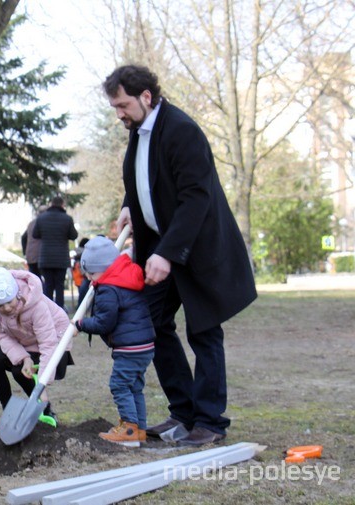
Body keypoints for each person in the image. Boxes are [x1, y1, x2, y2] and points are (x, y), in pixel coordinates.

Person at [103, 64, 256, 446]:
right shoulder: (139, 133)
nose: (119, 113)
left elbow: (195, 197)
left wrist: (168, 254)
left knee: (203, 332)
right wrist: (128, 205)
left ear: (145, 97)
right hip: (160, 249)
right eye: (115, 107)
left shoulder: (182, 131)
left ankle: (209, 422)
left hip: (196, 251)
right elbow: (148, 178)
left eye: (122, 105)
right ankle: (183, 412)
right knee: (151, 322)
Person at [73, 236, 155, 448]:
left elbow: (104, 323)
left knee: (119, 385)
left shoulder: (109, 288)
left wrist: (80, 325)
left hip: (129, 347)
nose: (91, 279)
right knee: (134, 386)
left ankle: (128, 429)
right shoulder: (125, 277)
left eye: (91, 273)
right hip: (144, 344)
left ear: (102, 268)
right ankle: (139, 430)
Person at [0, 267, 73, 422]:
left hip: (55, 339)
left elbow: (48, 343)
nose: (6, 308)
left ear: (16, 293)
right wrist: (24, 357)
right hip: (24, 341)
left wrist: (41, 386)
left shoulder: (36, 305)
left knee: (20, 372)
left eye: (9, 302)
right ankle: (9, 412)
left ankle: (46, 410)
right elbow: (0, 334)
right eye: (0, 306)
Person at [32, 196, 78, 308]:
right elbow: (74, 235)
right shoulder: (67, 219)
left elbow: (35, 234)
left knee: (48, 286)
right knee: (59, 286)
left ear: (51, 204)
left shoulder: (41, 218)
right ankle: (59, 311)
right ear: (62, 205)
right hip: (61, 259)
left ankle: (48, 311)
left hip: (45, 258)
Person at [21, 205, 48, 279]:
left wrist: (25, 252)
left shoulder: (31, 223)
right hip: (41, 256)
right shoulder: (45, 223)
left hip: (30, 256)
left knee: (35, 279)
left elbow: (23, 237)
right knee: (46, 280)